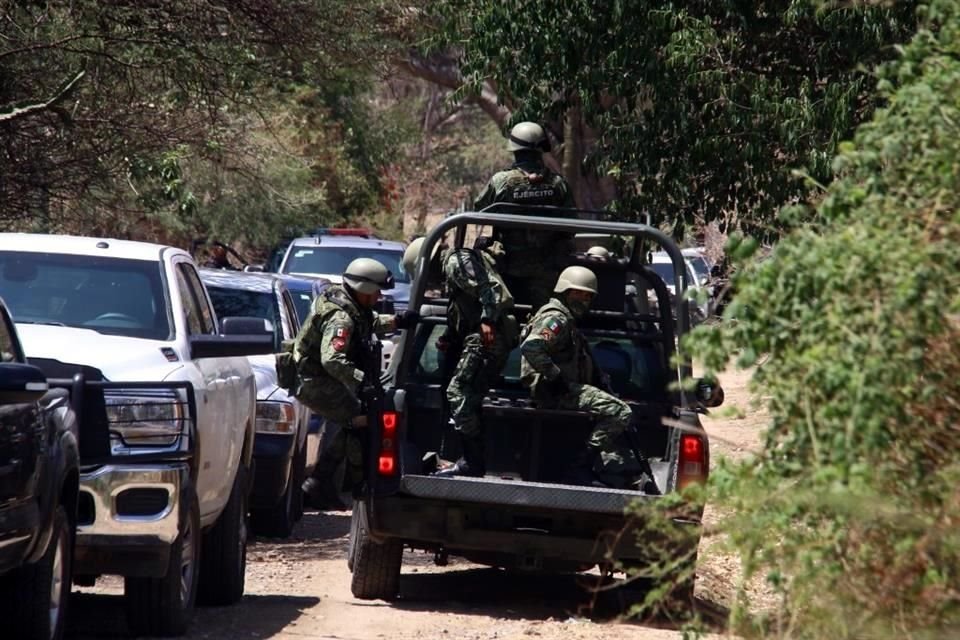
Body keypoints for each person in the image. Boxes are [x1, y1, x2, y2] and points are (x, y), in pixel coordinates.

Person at [296, 258, 418, 508]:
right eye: (376, 291)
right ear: (363, 289)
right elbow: (332, 359)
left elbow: (368, 322)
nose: (379, 296)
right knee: (359, 419)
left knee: (358, 419)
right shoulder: (341, 318)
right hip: (313, 380)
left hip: (319, 377)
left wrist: (397, 321)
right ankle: (329, 481)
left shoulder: (350, 305)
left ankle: (322, 482)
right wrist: (362, 381)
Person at [402, 235, 518, 477]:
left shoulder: (455, 262)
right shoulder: (453, 273)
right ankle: (472, 460)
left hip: (488, 336)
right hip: (485, 336)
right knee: (469, 398)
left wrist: (487, 319)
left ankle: (473, 463)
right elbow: (465, 310)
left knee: (457, 393)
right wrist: (450, 336)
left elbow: (488, 287)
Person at [519, 265, 634, 486]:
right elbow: (531, 347)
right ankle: (581, 467)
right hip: (553, 391)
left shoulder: (566, 319)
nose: (584, 300)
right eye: (579, 294)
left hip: (560, 388)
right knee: (620, 412)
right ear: (566, 291)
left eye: (588, 296)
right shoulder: (557, 319)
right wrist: (556, 378)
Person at [475, 121, 576, 310]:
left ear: (514, 150)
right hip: (548, 273)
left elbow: (478, 210)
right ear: (541, 149)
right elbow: (572, 226)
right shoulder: (558, 184)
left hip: (507, 270)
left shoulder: (501, 182)